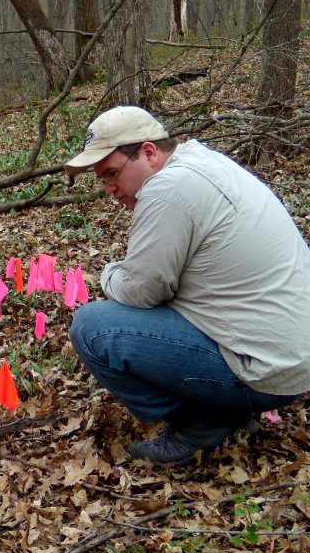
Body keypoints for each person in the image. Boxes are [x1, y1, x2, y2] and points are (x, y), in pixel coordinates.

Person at [65, 105, 310, 465]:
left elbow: (142, 291)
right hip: (291, 360)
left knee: (92, 327)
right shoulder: (202, 162)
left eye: (113, 174)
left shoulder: (168, 189)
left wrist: (109, 274)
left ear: (148, 152)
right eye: (102, 180)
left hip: (263, 370)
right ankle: (228, 414)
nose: (109, 190)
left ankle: (201, 424)